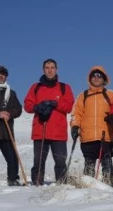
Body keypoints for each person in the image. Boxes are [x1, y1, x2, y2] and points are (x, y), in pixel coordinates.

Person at [23, 58, 74, 186]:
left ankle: (62, 185)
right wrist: (37, 107)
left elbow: (68, 106)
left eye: (52, 67)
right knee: (38, 162)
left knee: (60, 162)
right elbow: (27, 105)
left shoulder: (64, 87)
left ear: (56, 70)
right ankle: (36, 185)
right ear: (43, 70)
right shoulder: (36, 87)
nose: (50, 70)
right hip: (40, 130)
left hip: (58, 133)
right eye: (47, 67)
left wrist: (55, 103)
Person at [71, 66, 113, 180]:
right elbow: (76, 113)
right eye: (94, 76)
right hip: (87, 137)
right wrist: (75, 126)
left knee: (107, 161)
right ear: (90, 78)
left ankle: (109, 183)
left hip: (105, 136)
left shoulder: (111, 95)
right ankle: (88, 186)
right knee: (89, 163)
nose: (96, 78)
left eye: (99, 76)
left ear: (104, 79)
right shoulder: (83, 95)